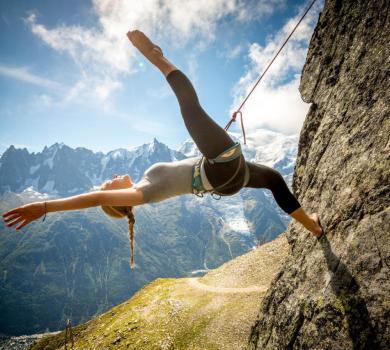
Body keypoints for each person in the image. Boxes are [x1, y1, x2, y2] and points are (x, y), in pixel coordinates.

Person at [2, 30, 324, 268]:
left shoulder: (144, 185)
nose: (111, 178)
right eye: (109, 183)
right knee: (190, 109)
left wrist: (214, 141)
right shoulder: (140, 194)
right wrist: (43, 207)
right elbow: (97, 198)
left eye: (108, 182)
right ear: (119, 200)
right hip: (221, 168)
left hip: (226, 176)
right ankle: (157, 57)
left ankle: (312, 226)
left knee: (273, 181)